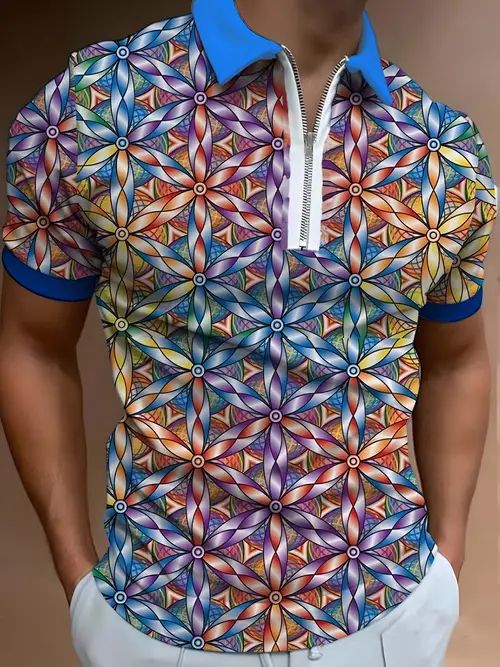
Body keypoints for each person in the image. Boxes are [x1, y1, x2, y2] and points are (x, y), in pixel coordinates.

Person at [0, 1, 497, 665]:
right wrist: (80, 586)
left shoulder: (442, 150)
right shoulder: (95, 108)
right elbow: (32, 344)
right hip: (158, 621)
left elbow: (458, 360)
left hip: (389, 617)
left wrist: (444, 571)